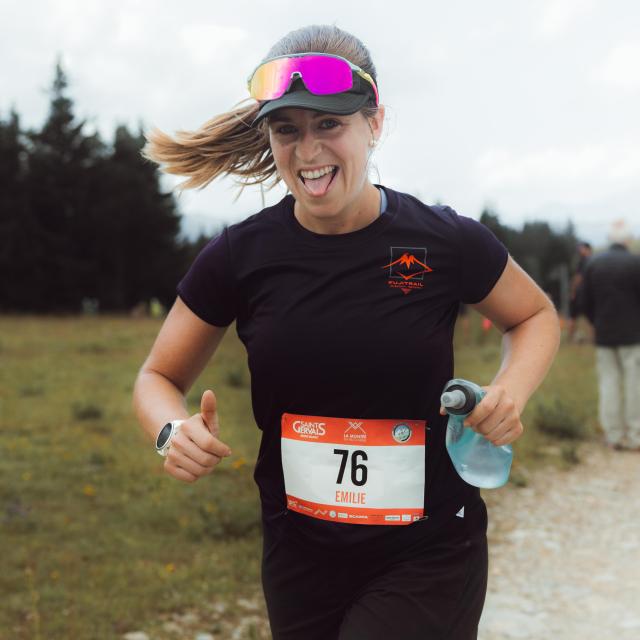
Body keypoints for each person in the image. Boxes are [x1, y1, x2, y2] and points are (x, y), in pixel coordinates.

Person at [132, 24, 560, 640]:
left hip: (428, 551)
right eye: (289, 129)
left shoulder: (444, 240)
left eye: (329, 124)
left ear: (374, 123)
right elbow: (158, 376)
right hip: (299, 555)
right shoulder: (240, 255)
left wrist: (509, 393)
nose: (308, 152)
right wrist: (169, 430)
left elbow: (535, 316)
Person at [579, 221, 640, 451]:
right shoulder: (636, 263)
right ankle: (635, 436)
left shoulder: (594, 264)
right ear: (626, 240)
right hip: (633, 335)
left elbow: (584, 302)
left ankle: (613, 436)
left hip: (605, 334)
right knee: (635, 385)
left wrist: (597, 322)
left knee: (608, 383)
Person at [567, 241, 592, 343]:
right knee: (589, 317)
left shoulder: (584, 261)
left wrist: (573, 291)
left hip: (580, 293)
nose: (579, 250)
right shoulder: (592, 261)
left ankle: (572, 337)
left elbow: (578, 278)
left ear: (587, 249)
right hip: (587, 293)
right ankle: (591, 338)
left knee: (574, 316)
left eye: (581, 248)